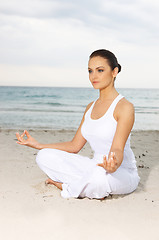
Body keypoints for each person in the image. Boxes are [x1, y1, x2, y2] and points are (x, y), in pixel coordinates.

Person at [16, 49, 140, 200]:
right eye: (90, 71)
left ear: (114, 72)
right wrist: (39, 145)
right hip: (95, 166)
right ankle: (85, 186)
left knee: (99, 178)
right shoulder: (90, 107)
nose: (93, 76)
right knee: (43, 156)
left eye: (100, 70)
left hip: (121, 171)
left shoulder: (124, 107)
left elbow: (117, 148)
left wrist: (114, 163)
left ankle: (66, 186)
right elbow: (74, 146)